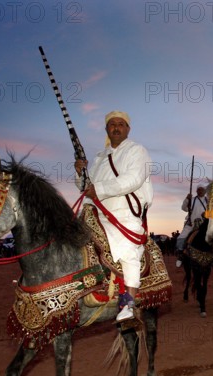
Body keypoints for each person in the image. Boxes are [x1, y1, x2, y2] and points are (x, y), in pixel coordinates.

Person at [75, 110, 153, 323]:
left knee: (128, 250)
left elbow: (133, 179)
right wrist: (80, 172)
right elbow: (85, 187)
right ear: (107, 129)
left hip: (124, 213)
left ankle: (128, 301)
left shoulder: (137, 151)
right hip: (96, 212)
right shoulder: (100, 157)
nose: (116, 127)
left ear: (128, 129)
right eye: (112, 124)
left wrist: (97, 189)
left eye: (121, 124)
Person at [175, 184, 208, 267]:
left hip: (204, 225)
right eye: (198, 190)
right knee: (181, 237)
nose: (200, 191)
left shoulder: (209, 201)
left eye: (202, 189)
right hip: (191, 224)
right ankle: (180, 256)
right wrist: (187, 200)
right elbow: (184, 208)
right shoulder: (192, 200)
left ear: (205, 191)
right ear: (196, 191)